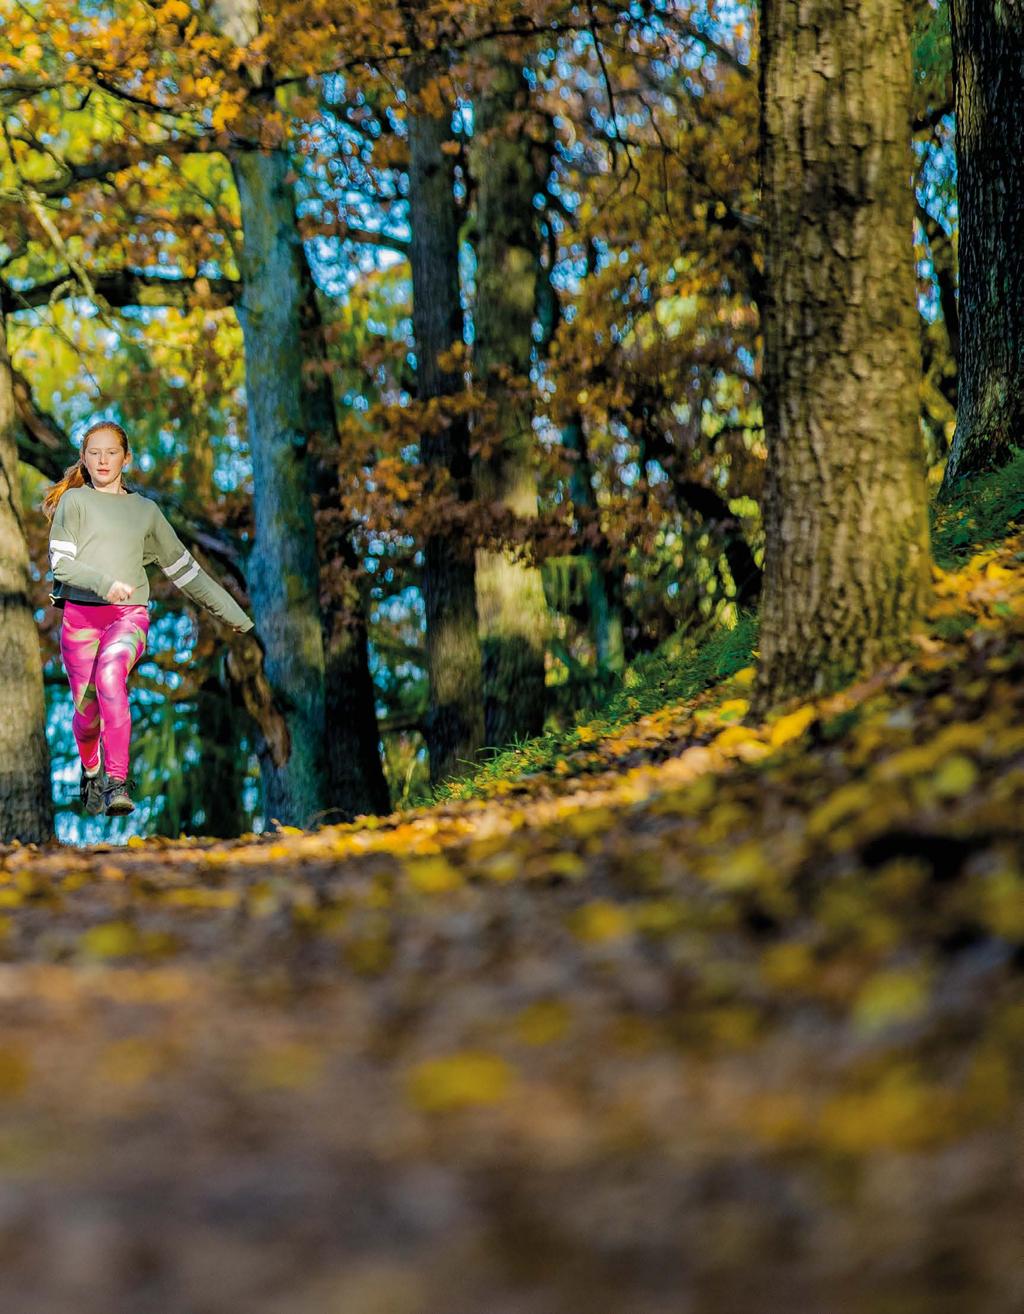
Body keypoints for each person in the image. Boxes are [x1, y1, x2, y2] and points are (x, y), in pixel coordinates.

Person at [42, 419, 254, 818]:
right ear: (84, 460)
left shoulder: (146, 512)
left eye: (111, 452)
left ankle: (117, 783)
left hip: (128, 616)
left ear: (127, 458)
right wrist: (105, 583)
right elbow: (62, 567)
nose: (103, 460)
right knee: (86, 719)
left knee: (111, 677)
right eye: (94, 452)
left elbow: (188, 572)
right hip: (80, 621)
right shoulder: (75, 503)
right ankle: (91, 770)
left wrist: (238, 617)